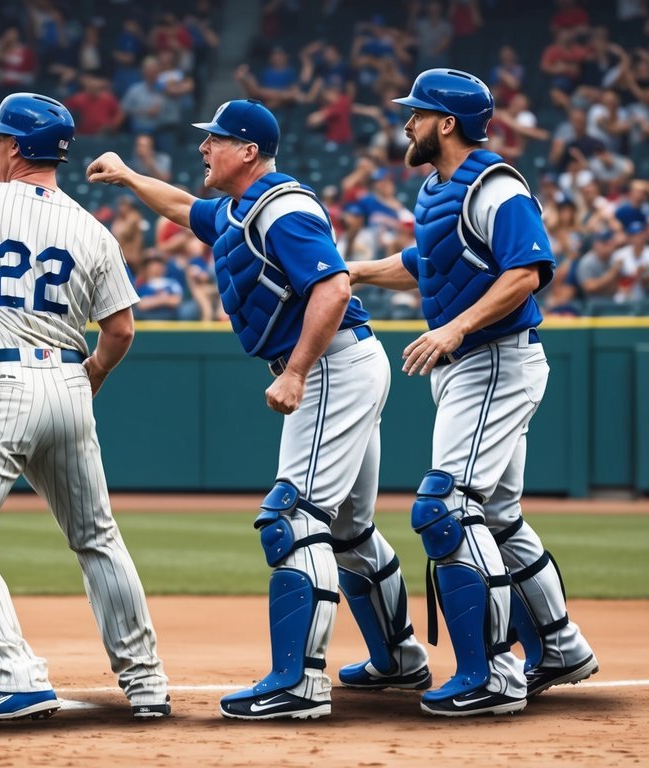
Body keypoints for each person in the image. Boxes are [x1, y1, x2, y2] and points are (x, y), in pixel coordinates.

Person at [87, 98, 428, 720]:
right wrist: (131, 177)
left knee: (292, 520)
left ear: (247, 151)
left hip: (329, 368)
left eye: (214, 140)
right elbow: (185, 208)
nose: (203, 149)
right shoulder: (244, 207)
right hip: (344, 365)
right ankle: (397, 660)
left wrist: (297, 371)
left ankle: (299, 684)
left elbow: (332, 286)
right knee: (347, 532)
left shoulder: (285, 210)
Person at [0, 92, 170, 723]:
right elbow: (121, 330)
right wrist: (91, 379)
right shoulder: (92, 226)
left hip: (1, 387)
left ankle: (17, 677)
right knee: (97, 539)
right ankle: (148, 682)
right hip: (67, 385)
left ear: (16, 148)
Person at [350, 69, 599, 717]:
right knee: (496, 517)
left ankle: (491, 674)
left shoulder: (495, 184)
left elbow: (526, 272)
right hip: (474, 364)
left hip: (492, 360)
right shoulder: (440, 190)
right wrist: (350, 274)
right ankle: (558, 647)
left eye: (416, 113)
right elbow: (424, 266)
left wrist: (455, 327)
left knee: (444, 508)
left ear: (446, 123)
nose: (406, 123)